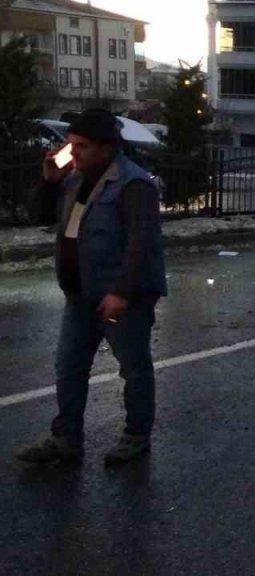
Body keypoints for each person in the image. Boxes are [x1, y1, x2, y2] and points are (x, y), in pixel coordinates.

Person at [15, 109, 167, 466]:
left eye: (81, 145)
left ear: (106, 147)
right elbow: (37, 216)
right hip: (80, 294)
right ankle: (66, 438)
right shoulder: (74, 179)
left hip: (121, 297)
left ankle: (136, 435)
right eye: (70, 144)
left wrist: (122, 292)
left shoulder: (133, 183)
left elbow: (140, 244)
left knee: (133, 368)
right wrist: (49, 181)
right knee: (69, 367)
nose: (73, 152)